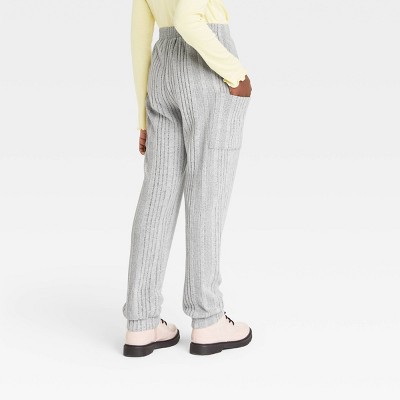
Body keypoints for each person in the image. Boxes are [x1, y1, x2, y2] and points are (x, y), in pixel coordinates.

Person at [122, 0, 253, 357]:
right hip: (205, 64)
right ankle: (208, 319)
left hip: (162, 66)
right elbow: (187, 18)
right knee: (208, 193)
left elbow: (139, 37)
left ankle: (141, 321)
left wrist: (142, 116)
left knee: (157, 195)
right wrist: (235, 73)